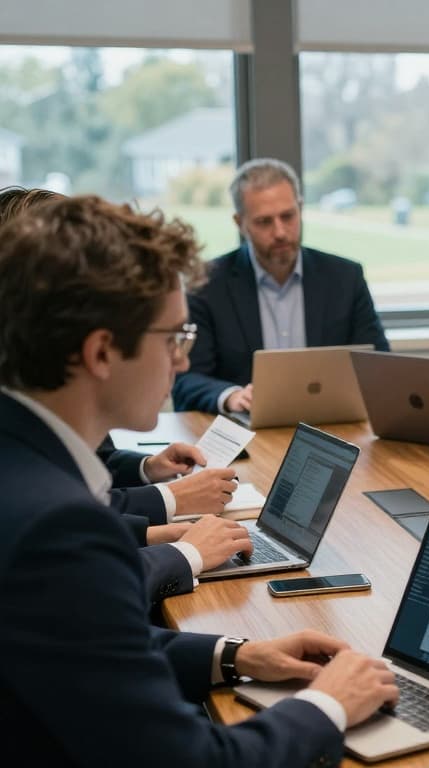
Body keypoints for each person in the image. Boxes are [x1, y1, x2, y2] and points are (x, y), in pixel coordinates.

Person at [0, 194, 398, 765]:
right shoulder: (59, 527)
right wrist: (329, 705)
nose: (183, 361)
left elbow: (85, 648)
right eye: (172, 339)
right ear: (102, 352)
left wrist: (238, 655)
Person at [0, 185, 247, 604]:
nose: (182, 361)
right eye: (171, 339)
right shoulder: (48, 512)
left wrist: (230, 649)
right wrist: (179, 537)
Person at [171, 158, 389, 414]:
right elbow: (186, 379)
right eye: (264, 222)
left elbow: (379, 366)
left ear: (300, 208)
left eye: (288, 216)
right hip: (244, 428)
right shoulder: (207, 284)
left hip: (330, 424)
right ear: (240, 223)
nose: (280, 232)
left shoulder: (345, 278)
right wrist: (232, 396)